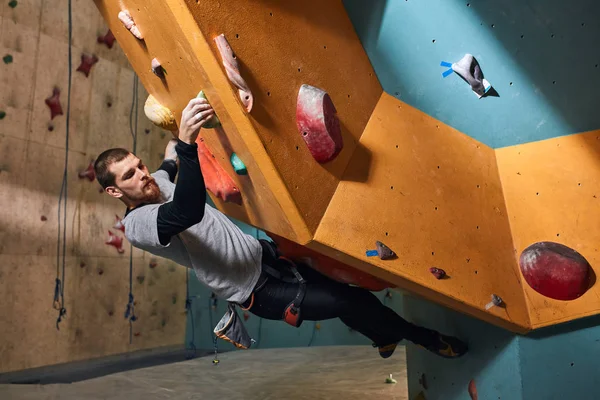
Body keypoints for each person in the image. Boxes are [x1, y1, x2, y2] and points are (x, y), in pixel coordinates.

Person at [94, 96, 468, 359]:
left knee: (342, 294)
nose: (143, 175)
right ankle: (426, 339)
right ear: (114, 191)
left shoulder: (154, 180)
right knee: (347, 301)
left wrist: (177, 121)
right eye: (130, 175)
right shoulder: (139, 224)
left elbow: (170, 161)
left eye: (140, 165)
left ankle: (381, 335)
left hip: (265, 256)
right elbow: (188, 210)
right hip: (257, 290)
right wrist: (189, 145)